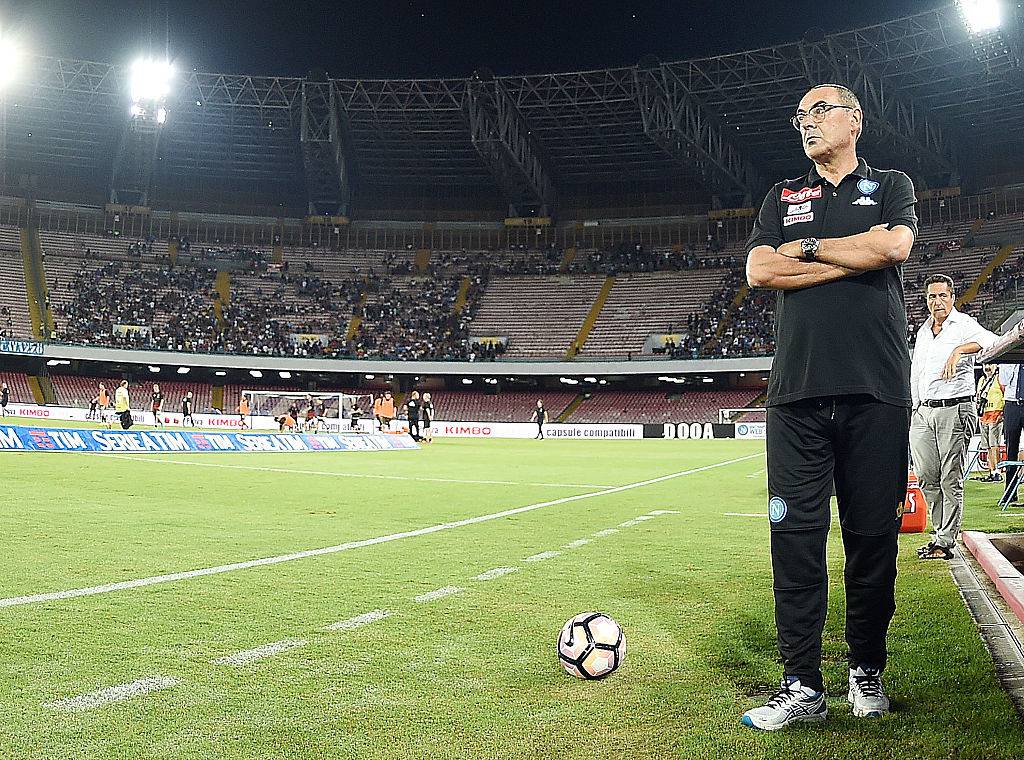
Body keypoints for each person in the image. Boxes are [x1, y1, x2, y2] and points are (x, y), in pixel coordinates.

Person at [741, 83, 918, 730]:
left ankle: (865, 670)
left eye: (820, 111)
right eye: (800, 115)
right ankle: (801, 686)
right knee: (794, 540)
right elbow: (760, 270)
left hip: (876, 390)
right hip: (796, 395)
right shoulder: (783, 196)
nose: (807, 123)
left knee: (871, 540)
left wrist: (809, 250)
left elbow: (894, 249)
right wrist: (853, 253)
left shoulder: (892, 184)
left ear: (855, 120)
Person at [910, 274, 996, 560]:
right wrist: (915, 407)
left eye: (942, 296)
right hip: (923, 411)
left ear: (952, 297)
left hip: (954, 408)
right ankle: (938, 534)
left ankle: (945, 542)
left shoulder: (964, 325)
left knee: (950, 478)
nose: (937, 301)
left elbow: (992, 343)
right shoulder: (923, 331)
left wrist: (960, 350)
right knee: (925, 476)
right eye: (932, 296)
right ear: (927, 300)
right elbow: (917, 372)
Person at [998, 363, 1024, 504]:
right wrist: (1012, 363)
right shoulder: (1007, 360)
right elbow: (1004, 380)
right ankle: (1010, 493)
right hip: (1012, 404)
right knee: (1011, 450)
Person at [975, 364, 1004, 483]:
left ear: (995, 366)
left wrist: (1002, 413)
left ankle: (997, 471)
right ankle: (992, 471)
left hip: (995, 415)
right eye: (985, 365)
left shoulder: (999, 379)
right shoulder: (982, 380)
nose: (987, 367)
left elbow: (1005, 394)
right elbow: (978, 396)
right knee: (987, 446)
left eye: (990, 365)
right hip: (984, 416)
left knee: (994, 445)